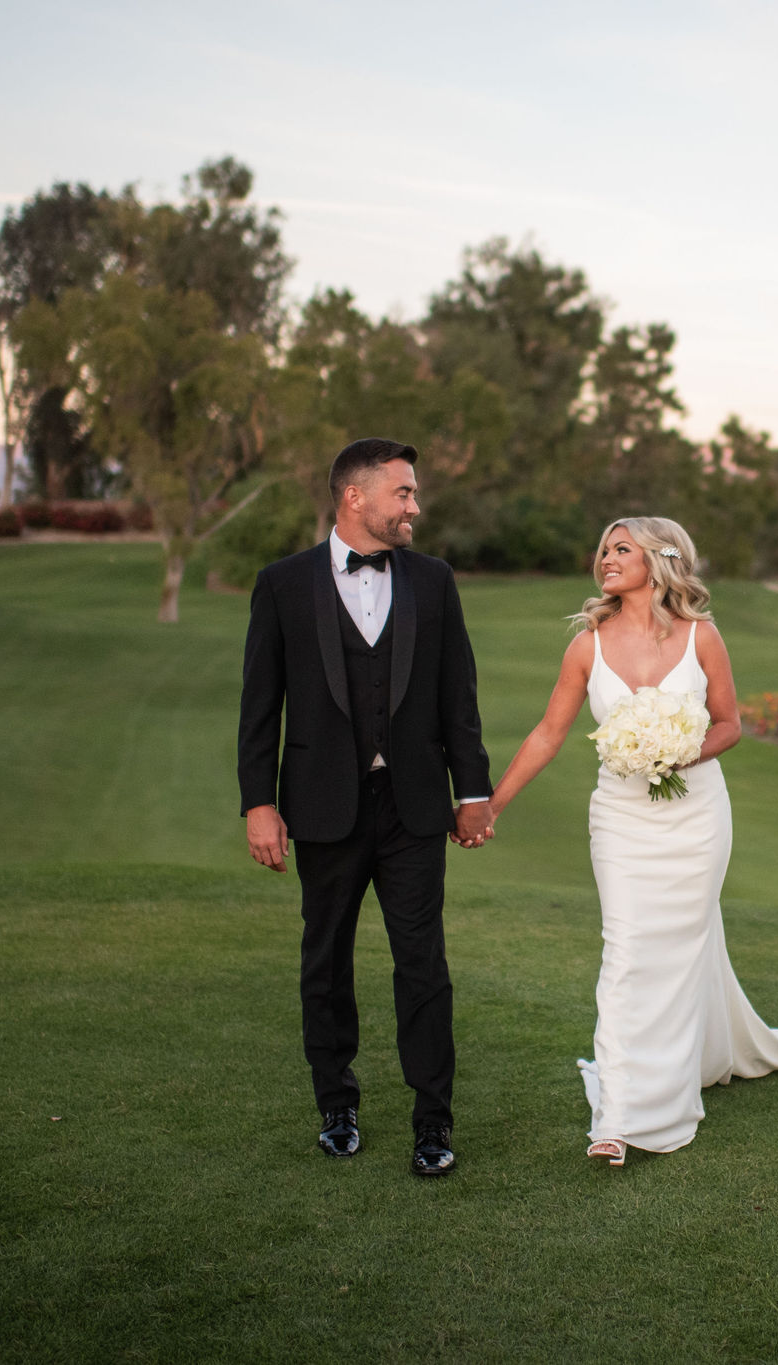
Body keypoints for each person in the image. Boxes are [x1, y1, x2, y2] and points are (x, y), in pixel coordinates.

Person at [483, 516, 778, 1165]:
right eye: (604, 549)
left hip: (697, 817)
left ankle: (685, 1068)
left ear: (660, 560)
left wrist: (680, 752)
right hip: (620, 819)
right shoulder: (586, 646)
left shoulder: (702, 636)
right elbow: (547, 733)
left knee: (683, 947)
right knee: (627, 951)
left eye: (621, 548)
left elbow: (730, 724)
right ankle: (620, 1114)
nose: (606, 558)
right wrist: (491, 804)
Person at [236, 437, 495, 1178]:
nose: (415, 505)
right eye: (403, 492)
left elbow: (458, 697)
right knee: (326, 959)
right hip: (323, 806)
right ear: (355, 496)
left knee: (423, 963)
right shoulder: (283, 584)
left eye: (413, 493)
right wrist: (258, 802)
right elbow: (260, 706)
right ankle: (337, 1104)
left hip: (413, 807)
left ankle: (433, 1120)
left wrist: (472, 792)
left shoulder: (433, 580)